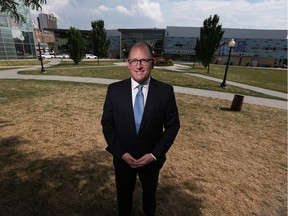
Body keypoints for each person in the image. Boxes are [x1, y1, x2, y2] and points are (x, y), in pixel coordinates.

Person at [101, 41, 180, 216]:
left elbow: (173, 126)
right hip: (123, 160)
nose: (138, 65)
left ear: (153, 62)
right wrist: (120, 153)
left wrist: (153, 155)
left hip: (151, 161)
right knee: (124, 200)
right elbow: (107, 125)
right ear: (128, 64)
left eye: (144, 60)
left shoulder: (165, 92)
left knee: (149, 199)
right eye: (133, 60)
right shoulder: (114, 90)